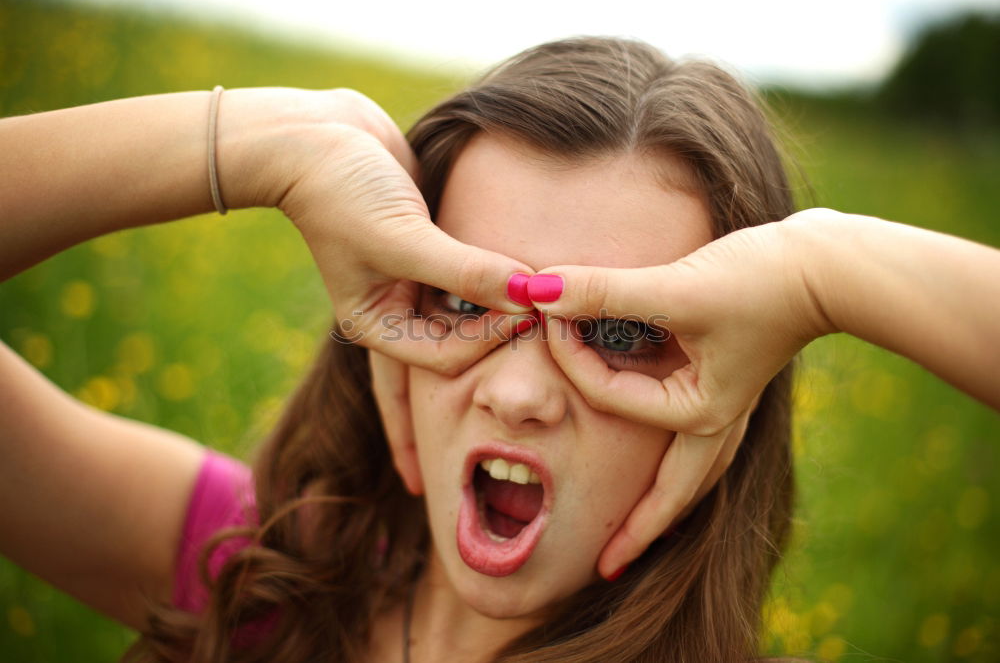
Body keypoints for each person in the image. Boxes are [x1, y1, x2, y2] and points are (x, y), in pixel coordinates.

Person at [0, 36, 996, 662]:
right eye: (457, 297)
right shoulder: (249, 575)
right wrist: (259, 142)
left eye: (619, 333)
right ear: (383, 328)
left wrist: (834, 266)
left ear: (726, 398)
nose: (518, 392)